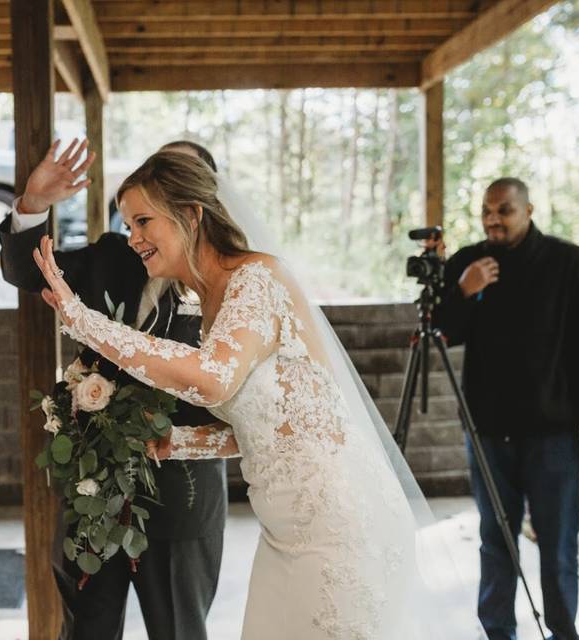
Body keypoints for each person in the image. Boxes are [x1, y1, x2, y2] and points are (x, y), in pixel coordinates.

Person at [32, 150, 480, 639]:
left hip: (338, 524)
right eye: (127, 224)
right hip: (284, 533)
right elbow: (257, 428)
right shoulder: (212, 303)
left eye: (143, 221)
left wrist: (83, 320)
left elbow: (212, 379)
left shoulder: (256, 279)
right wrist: (176, 443)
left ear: (191, 214)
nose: (133, 238)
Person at [0, 140, 232, 640]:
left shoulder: (232, 285)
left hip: (182, 500)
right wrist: (33, 204)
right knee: (86, 629)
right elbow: (27, 271)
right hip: (92, 491)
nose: (136, 233)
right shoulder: (115, 254)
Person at [431, 177, 579, 640]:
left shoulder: (570, 262)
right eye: (487, 211)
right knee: (496, 540)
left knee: (557, 544)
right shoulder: (469, 262)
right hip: (488, 432)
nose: (493, 219)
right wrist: (464, 290)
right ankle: (496, 631)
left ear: (528, 210)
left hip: (553, 432)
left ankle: (563, 631)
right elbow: (442, 332)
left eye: (504, 211)